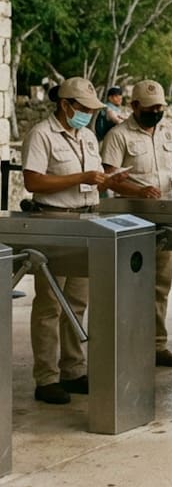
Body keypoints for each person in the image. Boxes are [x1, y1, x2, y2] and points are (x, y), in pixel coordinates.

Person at [20, 77, 123, 404]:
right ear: (65, 105)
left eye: (92, 110)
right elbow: (33, 181)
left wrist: (104, 180)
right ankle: (46, 377)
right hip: (54, 220)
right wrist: (81, 177)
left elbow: (92, 177)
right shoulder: (42, 134)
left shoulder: (89, 136)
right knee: (50, 302)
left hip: (87, 218)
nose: (89, 115)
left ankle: (73, 370)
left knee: (77, 300)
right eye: (83, 108)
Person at [100, 79, 172, 367]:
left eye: (160, 108)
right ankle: (127, 346)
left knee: (161, 284)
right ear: (134, 106)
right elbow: (108, 177)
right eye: (151, 108)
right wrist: (137, 191)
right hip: (131, 218)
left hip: (164, 217)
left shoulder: (167, 129)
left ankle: (157, 345)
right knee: (130, 284)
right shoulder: (118, 135)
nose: (156, 112)